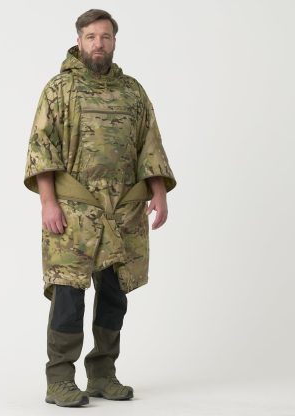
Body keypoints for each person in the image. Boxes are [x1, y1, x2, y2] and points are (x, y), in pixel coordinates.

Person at [23, 9, 177, 407]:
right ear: (79, 41)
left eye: (105, 37)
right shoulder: (59, 89)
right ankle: (60, 379)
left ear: (114, 42)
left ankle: (103, 373)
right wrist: (48, 203)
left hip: (122, 211)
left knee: (114, 293)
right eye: (91, 36)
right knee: (68, 293)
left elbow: (149, 143)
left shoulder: (132, 92)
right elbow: (42, 148)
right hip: (73, 209)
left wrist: (158, 192)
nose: (98, 43)